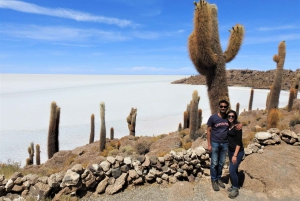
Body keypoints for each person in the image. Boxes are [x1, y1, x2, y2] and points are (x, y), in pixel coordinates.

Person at [206, 100, 230, 191]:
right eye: (221, 106)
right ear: (219, 107)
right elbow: (208, 131)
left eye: (225, 107)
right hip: (215, 143)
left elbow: (235, 123)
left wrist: (239, 124)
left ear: (227, 108)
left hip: (225, 143)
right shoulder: (213, 118)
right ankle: (214, 180)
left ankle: (219, 178)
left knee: (221, 163)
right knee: (214, 163)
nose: (223, 108)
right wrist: (209, 144)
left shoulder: (229, 118)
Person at [226, 110, 244, 199]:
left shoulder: (238, 127)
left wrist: (235, 155)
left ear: (235, 117)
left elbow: (239, 142)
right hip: (230, 150)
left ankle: (235, 188)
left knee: (232, 170)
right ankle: (234, 185)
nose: (231, 118)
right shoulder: (227, 125)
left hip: (238, 152)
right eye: (229, 116)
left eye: (232, 116)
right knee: (235, 169)